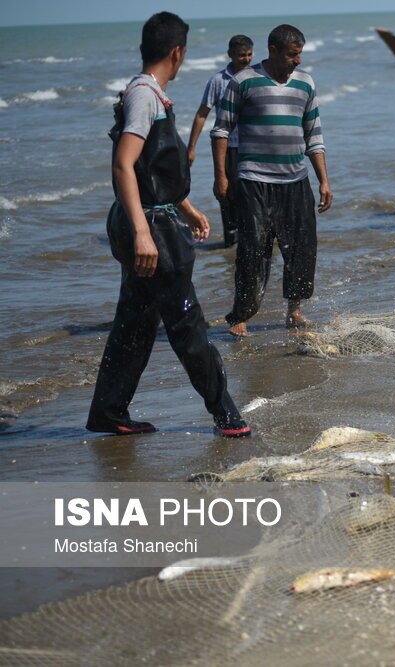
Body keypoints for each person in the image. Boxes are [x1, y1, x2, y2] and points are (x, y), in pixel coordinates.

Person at [87, 12, 250, 438]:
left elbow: (150, 168)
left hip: (151, 217)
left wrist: (186, 206)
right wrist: (142, 231)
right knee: (186, 323)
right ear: (177, 53)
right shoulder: (145, 96)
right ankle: (226, 414)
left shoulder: (148, 94)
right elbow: (123, 164)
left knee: (136, 322)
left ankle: (109, 411)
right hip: (150, 227)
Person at [211, 24, 332, 338]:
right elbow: (221, 130)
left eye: (300, 54)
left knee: (302, 248)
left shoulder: (305, 84)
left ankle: (294, 311)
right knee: (252, 250)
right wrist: (221, 176)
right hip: (254, 180)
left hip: (296, 181)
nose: (298, 60)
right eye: (293, 54)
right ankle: (241, 316)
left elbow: (314, 136)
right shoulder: (243, 81)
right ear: (274, 50)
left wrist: (323, 180)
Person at [186, 35, 254, 247]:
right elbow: (201, 115)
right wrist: (191, 148)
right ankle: (230, 245)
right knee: (227, 194)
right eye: (242, 55)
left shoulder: (256, 76)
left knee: (254, 197)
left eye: (250, 54)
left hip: (253, 147)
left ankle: (257, 241)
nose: (246, 59)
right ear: (230, 54)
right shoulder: (218, 81)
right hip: (228, 149)